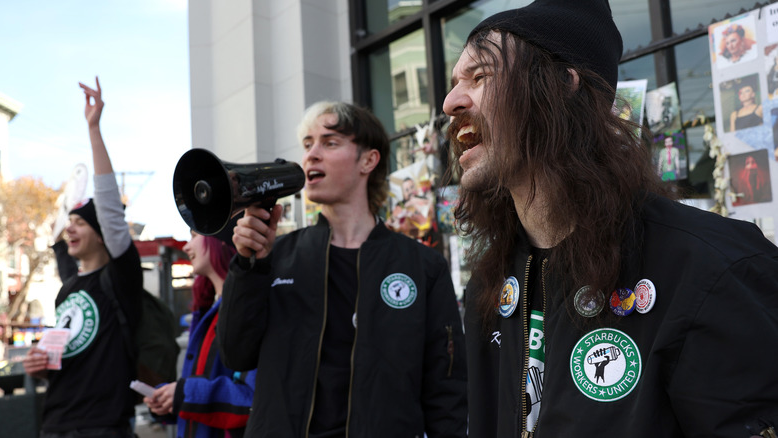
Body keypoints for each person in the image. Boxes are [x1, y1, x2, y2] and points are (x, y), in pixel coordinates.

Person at [442, 0, 778, 437]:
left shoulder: (712, 267)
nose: (450, 102)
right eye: (454, 83)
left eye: (481, 76)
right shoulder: (489, 287)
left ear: (561, 84)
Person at [216, 101, 467, 437]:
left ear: (368, 160)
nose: (311, 155)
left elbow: (446, 394)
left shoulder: (422, 266)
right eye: (307, 145)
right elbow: (235, 354)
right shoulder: (276, 257)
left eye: (330, 142)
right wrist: (247, 265)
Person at [22, 77, 143, 438]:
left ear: (104, 234)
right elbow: (64, 354)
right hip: (54, 425)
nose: (70, 230)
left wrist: (94, 128)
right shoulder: (68, 289)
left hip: (101, 428)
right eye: (69, 223)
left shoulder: (121, 278)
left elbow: (108, 208)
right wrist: (40, 365)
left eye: (81, 224)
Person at [144, 229, 256, 437]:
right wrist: (170, 400)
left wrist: (185, 394)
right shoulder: (208, 312)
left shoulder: (248, 310)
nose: (186, 247)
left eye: (194, 236)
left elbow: (252, 400)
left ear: (221, 241)